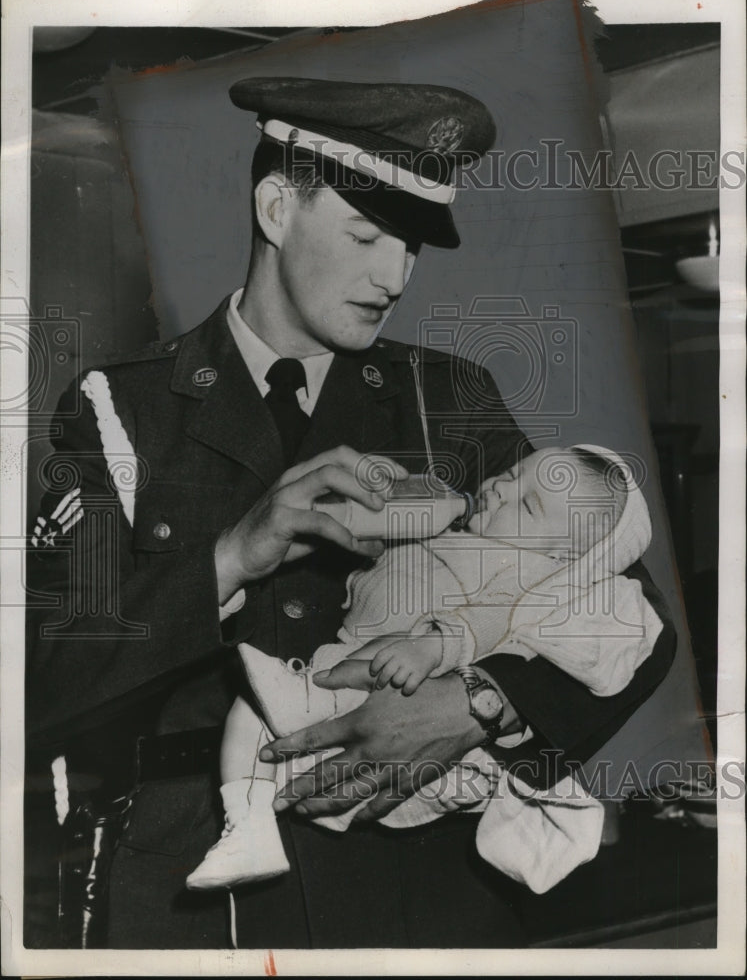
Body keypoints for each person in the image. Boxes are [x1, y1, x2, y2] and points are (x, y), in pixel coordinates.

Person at [26, 77, 676, 949]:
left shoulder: (445, 395)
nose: (393, 277)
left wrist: (479, 702)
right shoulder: (122, 410)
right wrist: (232, 555)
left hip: (424, 883)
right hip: (198, 894)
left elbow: (631, 614)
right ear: (275, 207)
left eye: (410, 248)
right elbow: (43, 676)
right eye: (366, 234)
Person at [187, 444, 663, 895]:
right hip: (350, 667)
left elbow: (488, 619)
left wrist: (435, 648)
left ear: (563, 558)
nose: (501, 488)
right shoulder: (457, 534)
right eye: (514, 475)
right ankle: (249, 829)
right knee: (249, 714)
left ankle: (256, 814)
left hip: (401, 686)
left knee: (261, 715)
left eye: (529, 506)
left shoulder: (527, 574)